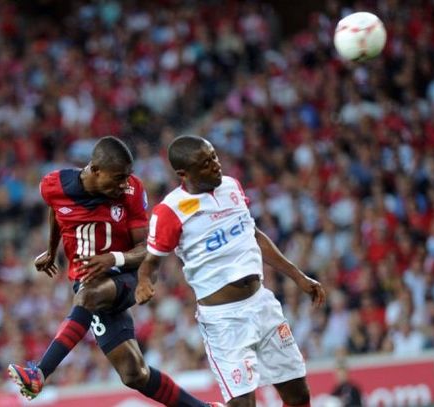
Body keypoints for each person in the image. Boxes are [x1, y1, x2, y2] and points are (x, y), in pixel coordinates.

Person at [8, 136, 222, 407]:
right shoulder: (54, 185)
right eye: (118, 178)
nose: (124, 184)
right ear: (95, 171)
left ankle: (39, 373)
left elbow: (148, 248)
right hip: (89, 281)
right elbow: (56, 208)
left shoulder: (131, 191)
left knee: (89, 296)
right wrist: (52, 250)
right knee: (134, 374)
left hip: (129, 274)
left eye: (127, 177)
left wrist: (114, 258)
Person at [135, 135, 326, 407]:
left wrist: (298, 276)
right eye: (205, 163)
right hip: (223, 321)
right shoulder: (169, 211)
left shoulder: (230, 186)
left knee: (299, 396)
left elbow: (255, 235)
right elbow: (151, 262)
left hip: (262, 304)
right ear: (183, 173)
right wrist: (144, 282)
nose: (215, 166)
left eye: (214, 157)